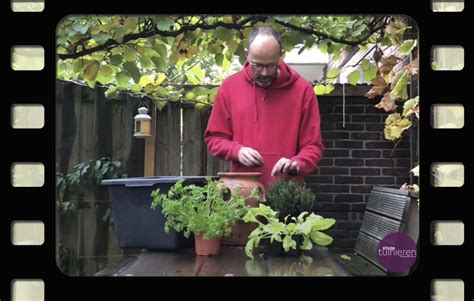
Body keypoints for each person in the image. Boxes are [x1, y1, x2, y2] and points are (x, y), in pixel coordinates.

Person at [204, 27, 324, 188]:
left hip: (286, 193)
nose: (265, 72)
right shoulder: (230, 87)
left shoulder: (303, 90)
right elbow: (214, 139)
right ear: (247, 55)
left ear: (281, 56)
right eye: (257, 65)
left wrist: (297, 163)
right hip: (243, 192)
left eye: (271, 65)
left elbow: (313, 146)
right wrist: (236, 151)